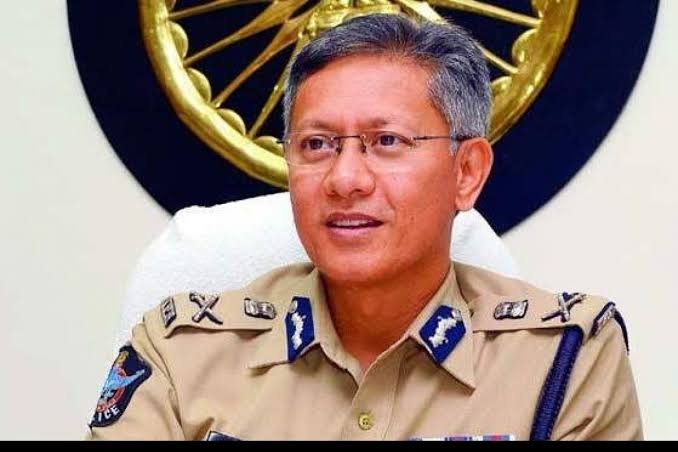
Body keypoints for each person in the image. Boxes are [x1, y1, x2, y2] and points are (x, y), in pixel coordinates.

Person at [87, 13, 642, 440]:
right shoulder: (183, 352)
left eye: (387, 141)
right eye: (317, 144)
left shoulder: (563, 359)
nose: (345, 178)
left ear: (466, 172)